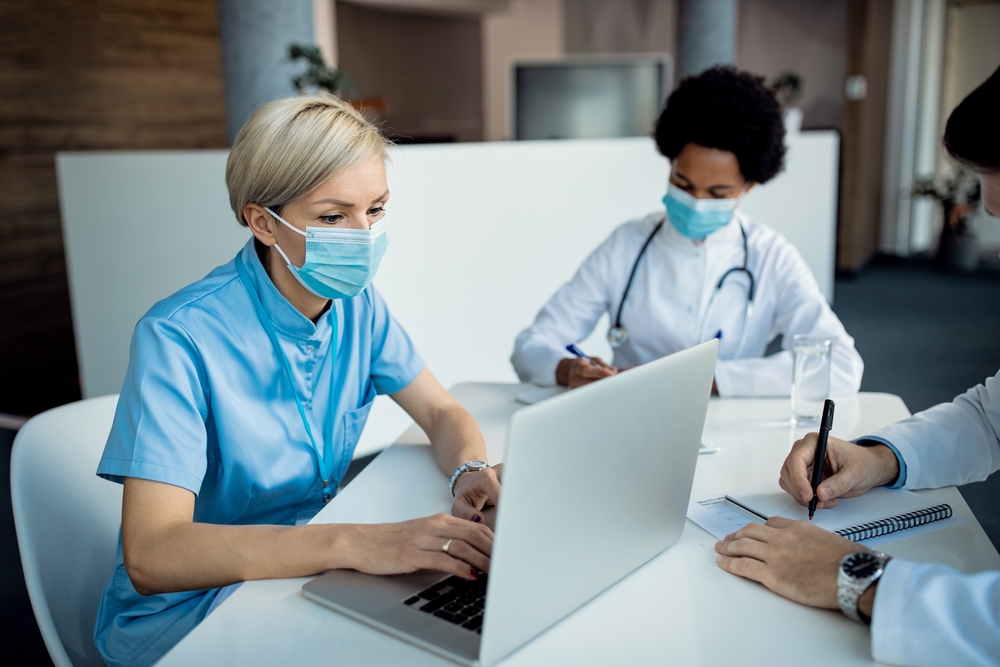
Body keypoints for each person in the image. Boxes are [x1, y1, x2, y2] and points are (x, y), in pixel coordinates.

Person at [93, 95, 501, 667]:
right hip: (193, 612)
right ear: (263, 221)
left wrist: (468, 472)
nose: (362, 235)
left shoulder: (357, 306)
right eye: (333, 217)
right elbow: (153, 554)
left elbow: (440, 412)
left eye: (376, 210)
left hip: (300, 573)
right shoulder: (178, 337)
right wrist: (356, 543)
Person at [714, 65, 1000, 667]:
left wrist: (859, 578)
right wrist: (880, 458)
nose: (992, 215)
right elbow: (993, 417)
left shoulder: (770, 252)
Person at [511, 66, 863, 396]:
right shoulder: (627, 244)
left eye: (718, 193)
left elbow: (842, 366)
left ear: (748, 187)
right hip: (633, 417)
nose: (695, 201)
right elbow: (532, 344)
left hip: (730, 429)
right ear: (670, 163)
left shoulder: (771, 256)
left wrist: (709, 380)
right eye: (683, 182)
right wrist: (566, 368)